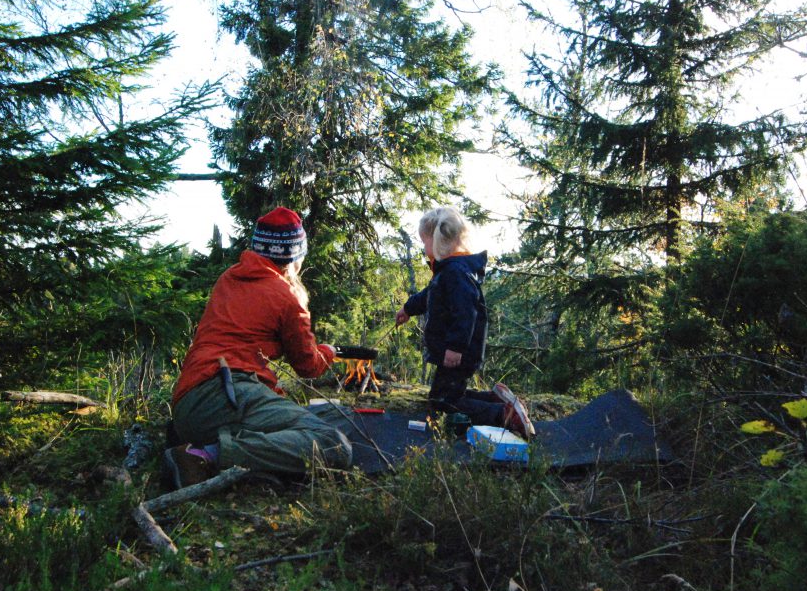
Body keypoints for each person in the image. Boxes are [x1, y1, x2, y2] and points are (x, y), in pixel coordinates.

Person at [164, 207, 353, 490]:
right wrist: (330, 351)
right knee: (334, 444)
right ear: (294, 257)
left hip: (187, 401)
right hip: (226, 392)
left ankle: (204, 439)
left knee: (321, 415)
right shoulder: (285, 295)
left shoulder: (229, 278)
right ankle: (204, 457)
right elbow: (308, 366)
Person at [395, 207, 535, 440]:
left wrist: (455, 347)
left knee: (442, 403)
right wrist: (408, 309)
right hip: (454, 352)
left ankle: (503, 415)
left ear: (438, 241)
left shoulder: (455, 273)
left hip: (458, 353)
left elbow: (465, 312)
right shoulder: (449, 270)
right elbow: (430, 295)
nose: (424, 248)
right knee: (449, 393)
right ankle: (496, 400)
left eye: (424, 241)